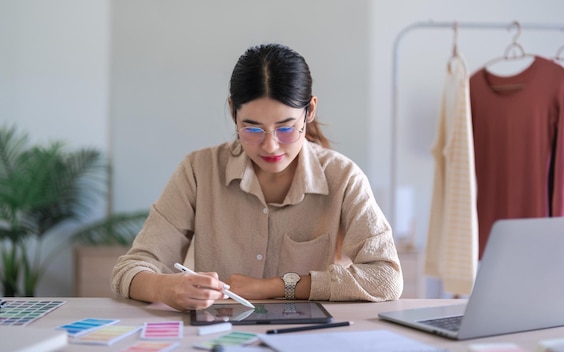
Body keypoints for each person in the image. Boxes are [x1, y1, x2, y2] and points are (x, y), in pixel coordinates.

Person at [111, 43, 403, 311]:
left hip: (306, 340)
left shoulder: (343, 177)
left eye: (286, 128)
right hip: (217, 337)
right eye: (252, 129)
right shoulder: (198, 170)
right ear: (232, 112)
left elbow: (386, 278)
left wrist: (278, 287)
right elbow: (131, 269)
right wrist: (165, 287)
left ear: (309, 111)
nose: (270, 146)